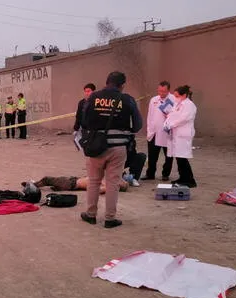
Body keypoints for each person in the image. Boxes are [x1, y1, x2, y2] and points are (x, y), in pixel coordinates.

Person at [80, 71, 143, 228]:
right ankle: (110, 218)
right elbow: (137, 125)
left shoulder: (93, 97)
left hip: (96, 147)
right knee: (113, 183)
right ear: (122, 85)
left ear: (106, 82)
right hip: (118, 148)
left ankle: (90, 214)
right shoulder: (127, 100)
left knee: (94, 181)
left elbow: (84, 121)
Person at [163, 85, 197, 188]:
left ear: (184, 95)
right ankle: (182, 177)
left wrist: (171, 125)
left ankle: (190, 180)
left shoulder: (189, 105)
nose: (175, 98)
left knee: (182, 158)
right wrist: (166, 124)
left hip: (183, 135)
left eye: (177, 96)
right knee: (178, 157)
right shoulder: (178, 104)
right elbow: (171, 115)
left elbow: (184, 118)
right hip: (176, 135)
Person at [143, 81, 175, 181]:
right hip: (154, 132)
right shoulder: (154, 100)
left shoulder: (174, 99)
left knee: (168, 155)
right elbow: (150, 116)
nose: (161, 93)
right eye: (160, 91)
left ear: (168, 90)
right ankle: (150, 174)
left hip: (167, 132)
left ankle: (165, 174)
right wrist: (149, 130)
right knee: (152, 155)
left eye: (164, 91)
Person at [29, 176, 129, 194]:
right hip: (74, 180)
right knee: (54, 182)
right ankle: (57, 188)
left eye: (121, 181)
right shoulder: (107, 181)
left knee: (48, 179)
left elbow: (95, 190)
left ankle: (33, 185)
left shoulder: (107, 186)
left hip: (73, 184)